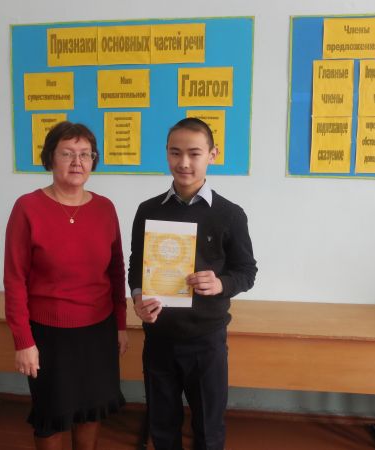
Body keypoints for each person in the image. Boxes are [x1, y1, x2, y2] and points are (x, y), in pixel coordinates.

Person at [128, 118, 257, 450]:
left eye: (194, 153)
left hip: (206, 340)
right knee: (162, 425)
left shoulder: (230, 214)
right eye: (175, 153)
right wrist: (138, 298)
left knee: (208, 428)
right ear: (166, 154)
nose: (184, 162)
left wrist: (220, 284)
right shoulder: (148, 210)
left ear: (212, 155)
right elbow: (135, 266)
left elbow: (247, 271)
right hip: (159, 337)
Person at [4, 121, 127, 450]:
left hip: (98, 329)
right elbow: (14, 279)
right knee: (51, 414)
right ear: (49, 158)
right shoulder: (28, 208)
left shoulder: (105, 208)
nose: (77, 162)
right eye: (67, 153)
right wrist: (23, 340)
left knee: (91, 410)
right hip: (49, 333)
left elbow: (116, 271)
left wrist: (120, 325)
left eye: (85, 154)